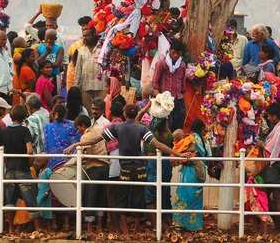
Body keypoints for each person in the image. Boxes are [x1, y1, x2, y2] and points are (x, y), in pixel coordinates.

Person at [66, 103, 186, 240]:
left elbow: (95, 140)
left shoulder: (117, 127)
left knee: (121, 201)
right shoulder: (141, 128)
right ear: (135, 115)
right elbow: (158, 145)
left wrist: (76, 145)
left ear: (124, 114)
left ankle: (125, 233)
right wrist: (177, 154)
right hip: (140, 169)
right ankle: (135, 231)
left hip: (125, 170)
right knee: (139, 200)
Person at [0, 105, 40, 232]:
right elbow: (29, 150)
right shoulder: (24, 131)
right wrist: (30, 162)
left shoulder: (4, 131)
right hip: (23, 169)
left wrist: (5, 155)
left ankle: (11, 229)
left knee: (10, 200)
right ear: (24, 117)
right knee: (30, 199)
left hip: (10, 170)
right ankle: (38, 229)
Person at [256, 103, 280, 232]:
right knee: (271, 194)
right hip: (277, 163)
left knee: (276, 195)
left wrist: (262, 146)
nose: (269, 119)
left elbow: (275, 147)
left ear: (275, 116)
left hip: (278, 164)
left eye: (270, 116)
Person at [173, 119, 212, 231]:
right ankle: (195, 225)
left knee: (184, 195)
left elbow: (177, 151)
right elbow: (209, 155)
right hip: (200, 172)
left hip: (189, 171)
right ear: (201, 128)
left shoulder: (190, 139)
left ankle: (181, 223)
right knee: (196, 197)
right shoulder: (205, 141)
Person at [73, 114, 109, 234]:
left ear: (82, 126)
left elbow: (82, 154)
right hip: (105, 168)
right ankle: (99, 227)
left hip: (94, 168)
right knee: (101, 197)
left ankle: (89, 228)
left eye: (78, 128)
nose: (78, 131)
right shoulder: (99, 131)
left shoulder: (85, 136)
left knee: (90, 197)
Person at [152, 39, 187, 131]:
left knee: (179, 123)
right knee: (165, 125)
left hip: (178, 99)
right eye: (174, 52)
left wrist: (182, 95)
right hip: (164, 100)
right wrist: (160, 98)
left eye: (178, 54)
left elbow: (183, 84)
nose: (175, 55)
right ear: (170, 50)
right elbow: (155, 84)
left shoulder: (182, 66)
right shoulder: (161, 64)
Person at [74, 27, 106, 111]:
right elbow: (78, 71)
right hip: (86, 87)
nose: (85, 38)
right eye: (84, 36)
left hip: (101, 86)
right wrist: (76, 88)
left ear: (94, 35)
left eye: (87, 35)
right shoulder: (81, 50)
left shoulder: (102, 49)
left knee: (101, 111)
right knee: (88, 111)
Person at [44, 103, 80, 169]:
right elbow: (78, 143)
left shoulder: (48, 127)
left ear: (54, 114)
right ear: (65, 114)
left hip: (53, 164)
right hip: (70, 163)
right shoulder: (72, 126)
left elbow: (46, 147)